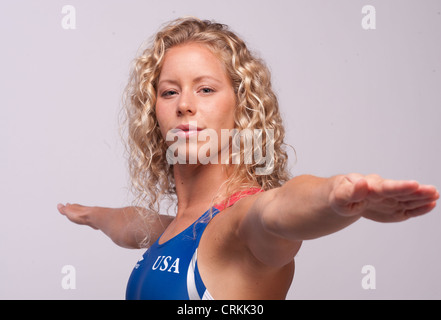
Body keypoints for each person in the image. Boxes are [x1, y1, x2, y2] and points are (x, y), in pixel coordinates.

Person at [57, 17, 439, 300]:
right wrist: (92, 216)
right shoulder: (174, 227)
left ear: (242, 109)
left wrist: (339, 197)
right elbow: (129, 225)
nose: (185, 105)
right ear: (153, 111)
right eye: (169, 92)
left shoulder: (239, 224)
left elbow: (280, 208)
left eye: (205, 89)